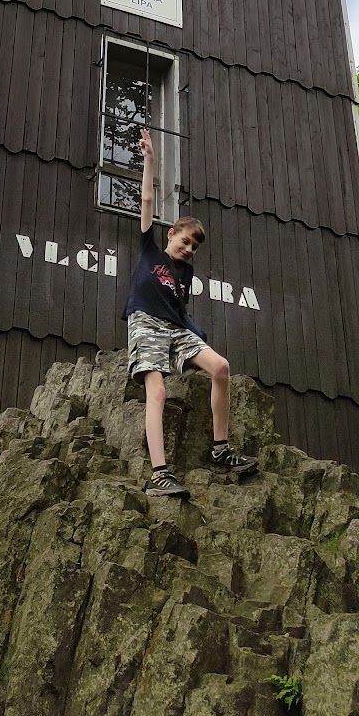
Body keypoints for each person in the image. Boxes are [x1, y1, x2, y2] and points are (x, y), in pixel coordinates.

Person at [126, 128, 258, 498]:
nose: (188, 249)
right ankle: (159, 473)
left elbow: (181, 310)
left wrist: (196, 335)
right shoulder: (150, 250)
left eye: (194, 246)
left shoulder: (187, 273)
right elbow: (147, 199)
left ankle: (220, 448)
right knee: (158, 391)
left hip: (175, 327)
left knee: (221, 367)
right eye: (184, 241)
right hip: (146, 323)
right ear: (171, 236)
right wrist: (149, 158)